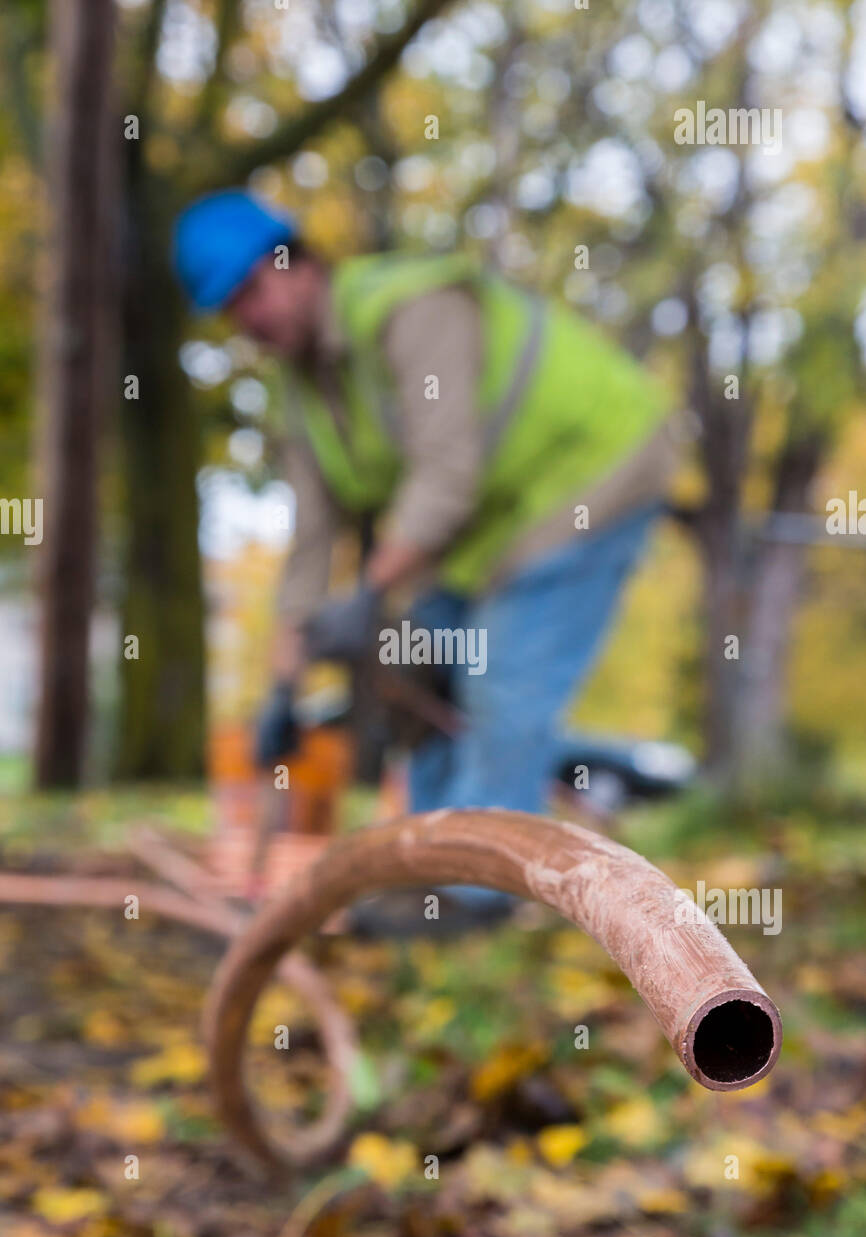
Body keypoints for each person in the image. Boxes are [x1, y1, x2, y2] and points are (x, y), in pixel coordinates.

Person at [174, 188, 680, 932]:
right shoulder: (304, 397)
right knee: (414, 659)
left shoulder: (412, 310)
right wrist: (281, 688)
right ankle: (433, 869)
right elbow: (310, 544)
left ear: (300, 260)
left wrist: (366, 595)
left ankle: (482, 904)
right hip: (492, 529)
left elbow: (447, 478)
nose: (251, 316)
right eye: (231, 308)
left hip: (594, 470)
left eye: (254, 287)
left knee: (501, 684)